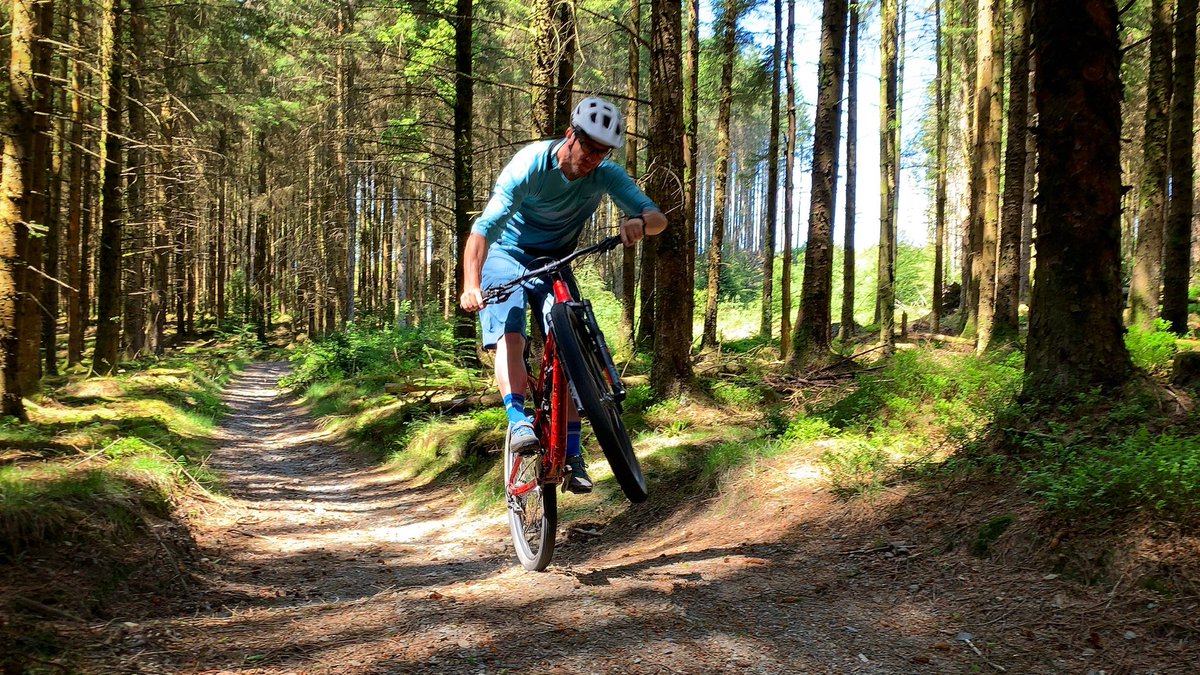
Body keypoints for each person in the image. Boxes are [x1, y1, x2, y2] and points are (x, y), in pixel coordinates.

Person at [460, 97, 667, 494]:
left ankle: (573, 453)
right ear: (570, 135)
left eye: (602, 152)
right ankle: (518, 419)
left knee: (570, 348)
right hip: (506, 254)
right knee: (512, 333)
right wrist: (472, 284)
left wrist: (640, 222)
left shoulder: (605, 174)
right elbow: (483, 230)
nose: (593, 158)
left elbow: (658, 218)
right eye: (588, 147)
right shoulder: (529, 166)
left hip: (555, 260)